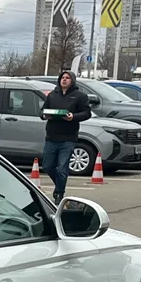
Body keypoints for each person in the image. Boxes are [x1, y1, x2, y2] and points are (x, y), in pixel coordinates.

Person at [40, 69, 92, 202]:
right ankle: (60, 185)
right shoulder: (52, 95)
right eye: (62, 77)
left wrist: (73, 116)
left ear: (72, 80)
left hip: (68, 138)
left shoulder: (79, 96)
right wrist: (44, 115)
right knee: (47, 166)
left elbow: (87, 113)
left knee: (62, 167)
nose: (64, 79)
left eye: (67, 78)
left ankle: (59, 193)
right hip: (52, 137)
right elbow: (42, 111)